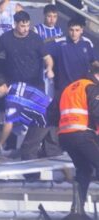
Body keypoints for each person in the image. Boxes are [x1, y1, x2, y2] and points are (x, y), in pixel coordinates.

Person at [0, 75, 62, 180]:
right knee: (53, 151)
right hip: (53, 112)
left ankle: (33, 180)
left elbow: (8, 125)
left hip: (42, 119)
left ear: (4, 86)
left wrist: (0, 143)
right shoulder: (16, 85)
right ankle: (68, 178)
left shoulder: (11, 100)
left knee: (28, 149)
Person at [0, 11, 54, 91]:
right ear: (15, 24)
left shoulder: (36, 38)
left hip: (33, 83)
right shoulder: (6, 38)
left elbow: (47, 57)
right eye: (22, 26)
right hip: (13, 82)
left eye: (28, 26)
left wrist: (49, 68)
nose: (26, 29)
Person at [58, 64, 99, 215]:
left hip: (65, 136)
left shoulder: (69, 88)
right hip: (83, 134)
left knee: (84, 169)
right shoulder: (92, 87)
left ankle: (77, 210)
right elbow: (97, 112)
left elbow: (53, 113)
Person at [46, 17, 99, 93]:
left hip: (82, 86)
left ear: (81, 30)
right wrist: (49, 67)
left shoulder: (86, 43)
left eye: (77, 30)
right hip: (64, 87)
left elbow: (93, 61)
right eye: (71, 30)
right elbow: (44, 52)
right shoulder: (59, 43)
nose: (74, 33)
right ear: (68, 29)